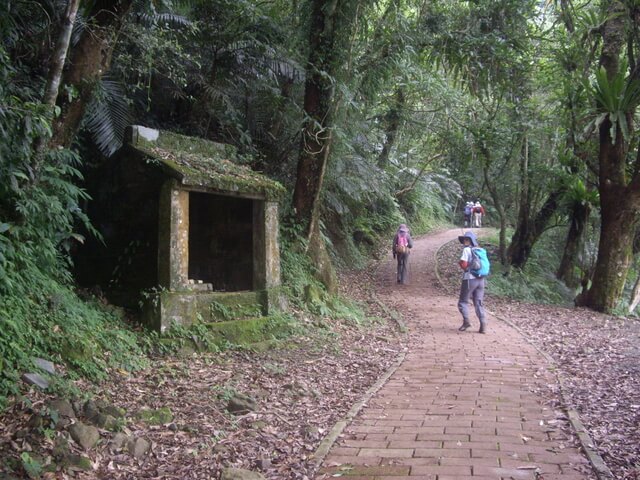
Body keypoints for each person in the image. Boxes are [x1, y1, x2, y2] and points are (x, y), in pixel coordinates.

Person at [457, 231, 487, 333]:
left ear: (470, 241)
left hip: (470, 279)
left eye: (466, 239)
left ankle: (466, 322)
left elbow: (464, 265)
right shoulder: (481, 250)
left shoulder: (467, 250)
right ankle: (483, 325)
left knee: (462, 302)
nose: (464, 241)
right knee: (478, 302)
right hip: (481, 280)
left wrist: (461, 264)